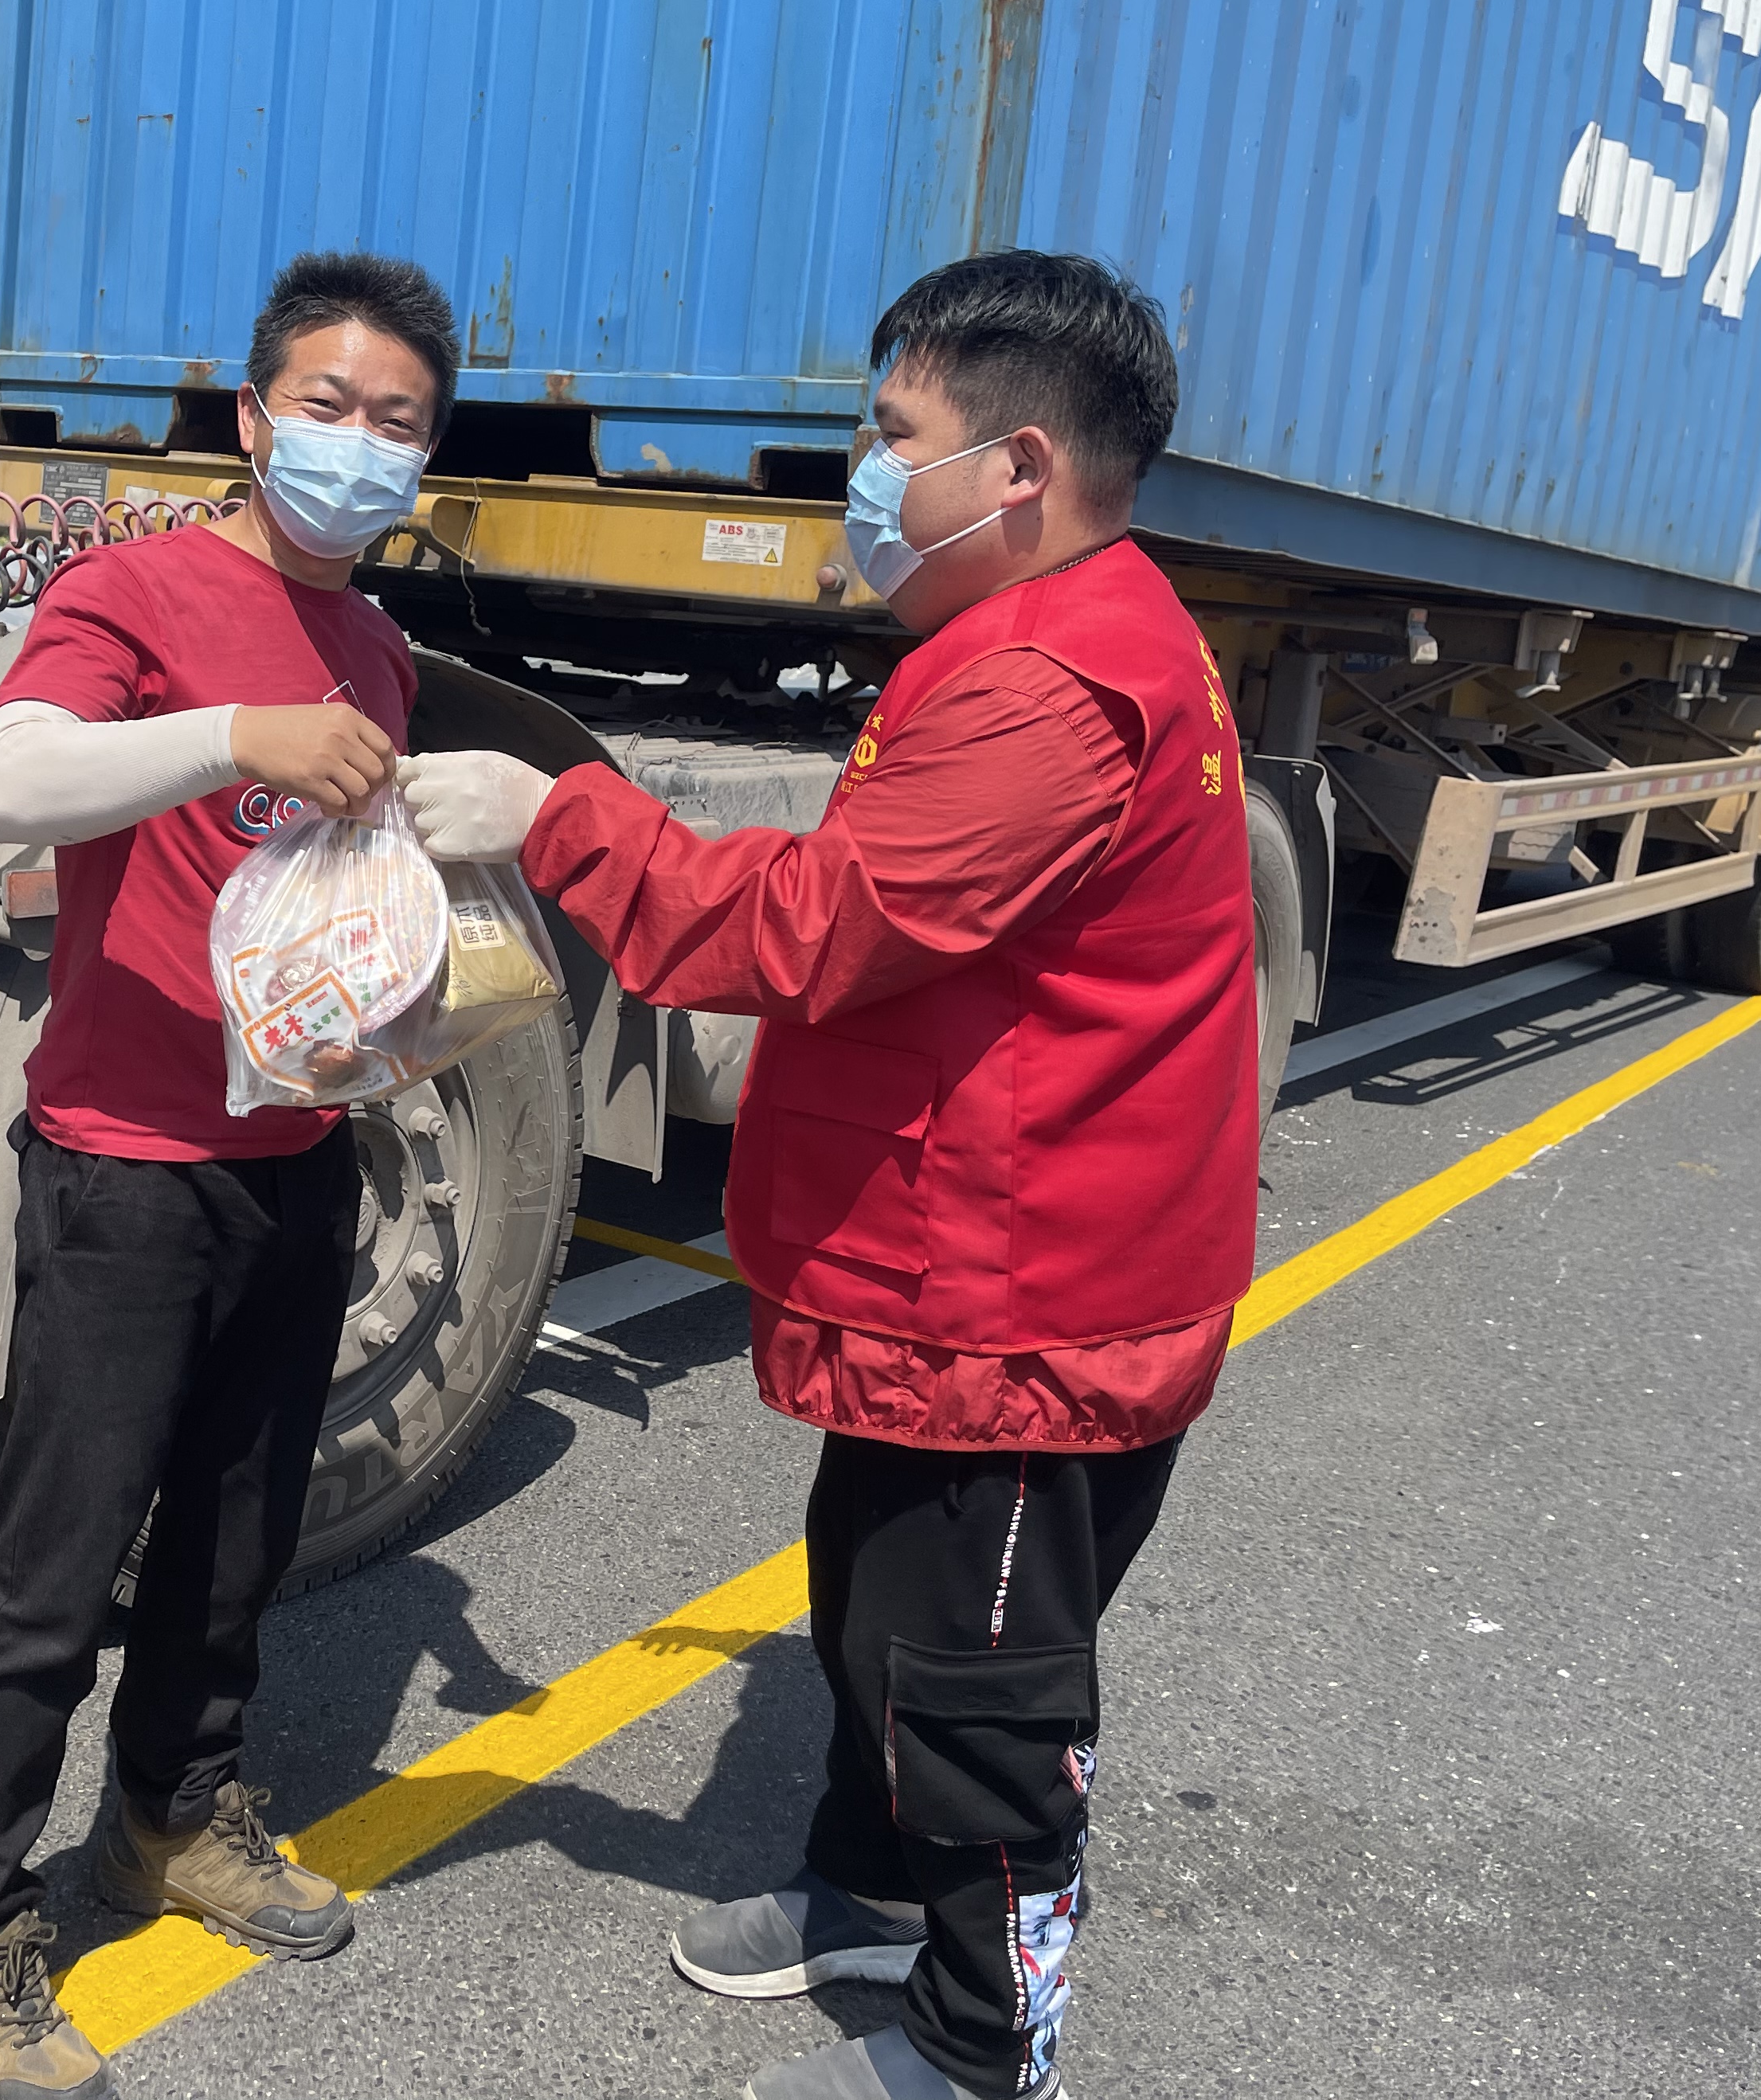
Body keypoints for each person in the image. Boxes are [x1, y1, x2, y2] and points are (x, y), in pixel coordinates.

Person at [401, 252, 1258, 2100]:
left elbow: (814, 926)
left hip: (1026, 1306)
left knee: (980, 1694)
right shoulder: (1042, 632)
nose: (863, 474)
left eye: (892, 435)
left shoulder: (1052, 687)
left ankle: (981, 2040)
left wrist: (560, 817)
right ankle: (869, 1893)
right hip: (953, 1273)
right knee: (877, 1617)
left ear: (1016, 467)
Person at [0, 252, 458, 2100]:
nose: (360, 443)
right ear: (253, 415)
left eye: (399, 422)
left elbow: (333, 900)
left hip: (301, 1152)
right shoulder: (133, 589)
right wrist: (230, 734)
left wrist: (396, 1015)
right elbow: (12, 781)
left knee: (238, 1539)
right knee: (53, 1575)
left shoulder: (378, 649)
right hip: (128, 1172)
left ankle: (171, 1816)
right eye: (330, 404)